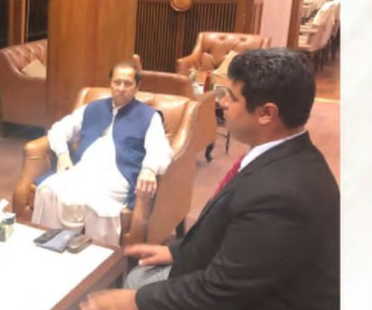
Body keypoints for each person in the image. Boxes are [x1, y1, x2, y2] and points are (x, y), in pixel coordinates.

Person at [81, 48, 339, 310]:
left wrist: (132, 301)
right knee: (138, 276)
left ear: (266, 113)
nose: (222, 103)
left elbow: (221, 293)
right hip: (232, 278)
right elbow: (232, 231)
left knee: (134, 286)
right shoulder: (280, 154)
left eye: (232, 97)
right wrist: (176, 252)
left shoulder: (283, 194)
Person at [31, 60, 172, 246]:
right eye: (117, 82)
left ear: (137, 87)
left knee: (95, 204)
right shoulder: (93, 108)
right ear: (110, 83)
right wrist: (63, 154)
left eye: (128, 84)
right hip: (84, 168)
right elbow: (58, 129)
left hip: (118, 175)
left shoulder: (149, 116)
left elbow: (160, 147)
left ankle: (99, 257)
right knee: (48, 190)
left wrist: (149, 168)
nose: (121, 88)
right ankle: (50, 246)